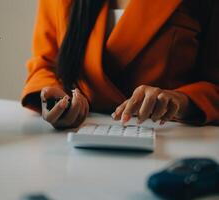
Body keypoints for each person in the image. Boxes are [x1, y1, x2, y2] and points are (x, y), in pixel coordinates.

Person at [21, 0, 219, 129]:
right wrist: (56, 102)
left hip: (171, 138)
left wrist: (181, 101)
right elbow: (45, 65)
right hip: (74, 138)